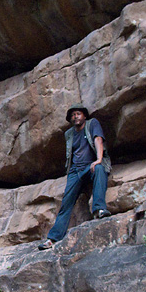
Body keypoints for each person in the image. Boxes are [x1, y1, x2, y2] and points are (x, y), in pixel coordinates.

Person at [38, 105, 111, 250]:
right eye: (73, 115)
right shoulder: (69, 134)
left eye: (78, 114)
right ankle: (53, 238)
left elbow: (98, 139)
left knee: (100, 168)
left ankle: (99, 209)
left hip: (90, 166)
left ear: (84, 116)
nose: (75, 116)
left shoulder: (92, 123)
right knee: (66, 202)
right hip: (75, 172)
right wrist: (70, 171)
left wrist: (98, 159)